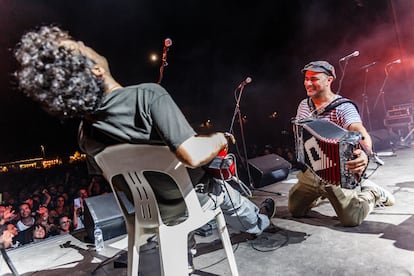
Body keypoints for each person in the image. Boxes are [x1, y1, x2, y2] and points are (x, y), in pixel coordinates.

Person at [13, 25, 275, 248]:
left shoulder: (84, 132)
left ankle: (180, 250)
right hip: (187, 202)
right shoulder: (147, 96)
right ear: (95, 71)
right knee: (225, 192)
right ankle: (257, 223)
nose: (84, 43)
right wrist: (220, 139)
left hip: (143, 211)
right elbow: (192, 153)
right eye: (81, 46)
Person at [288, 60, 395, 226]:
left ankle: (372, 193)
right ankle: (319, 193)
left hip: (335, 173)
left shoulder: (343, 107)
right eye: (306, 79)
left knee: (351, 219)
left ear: (329, 80)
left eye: (314, 79)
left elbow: (360, 132)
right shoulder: (303, 105)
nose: (308, 83)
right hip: (311, 172)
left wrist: (365, 155)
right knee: (295, 210)